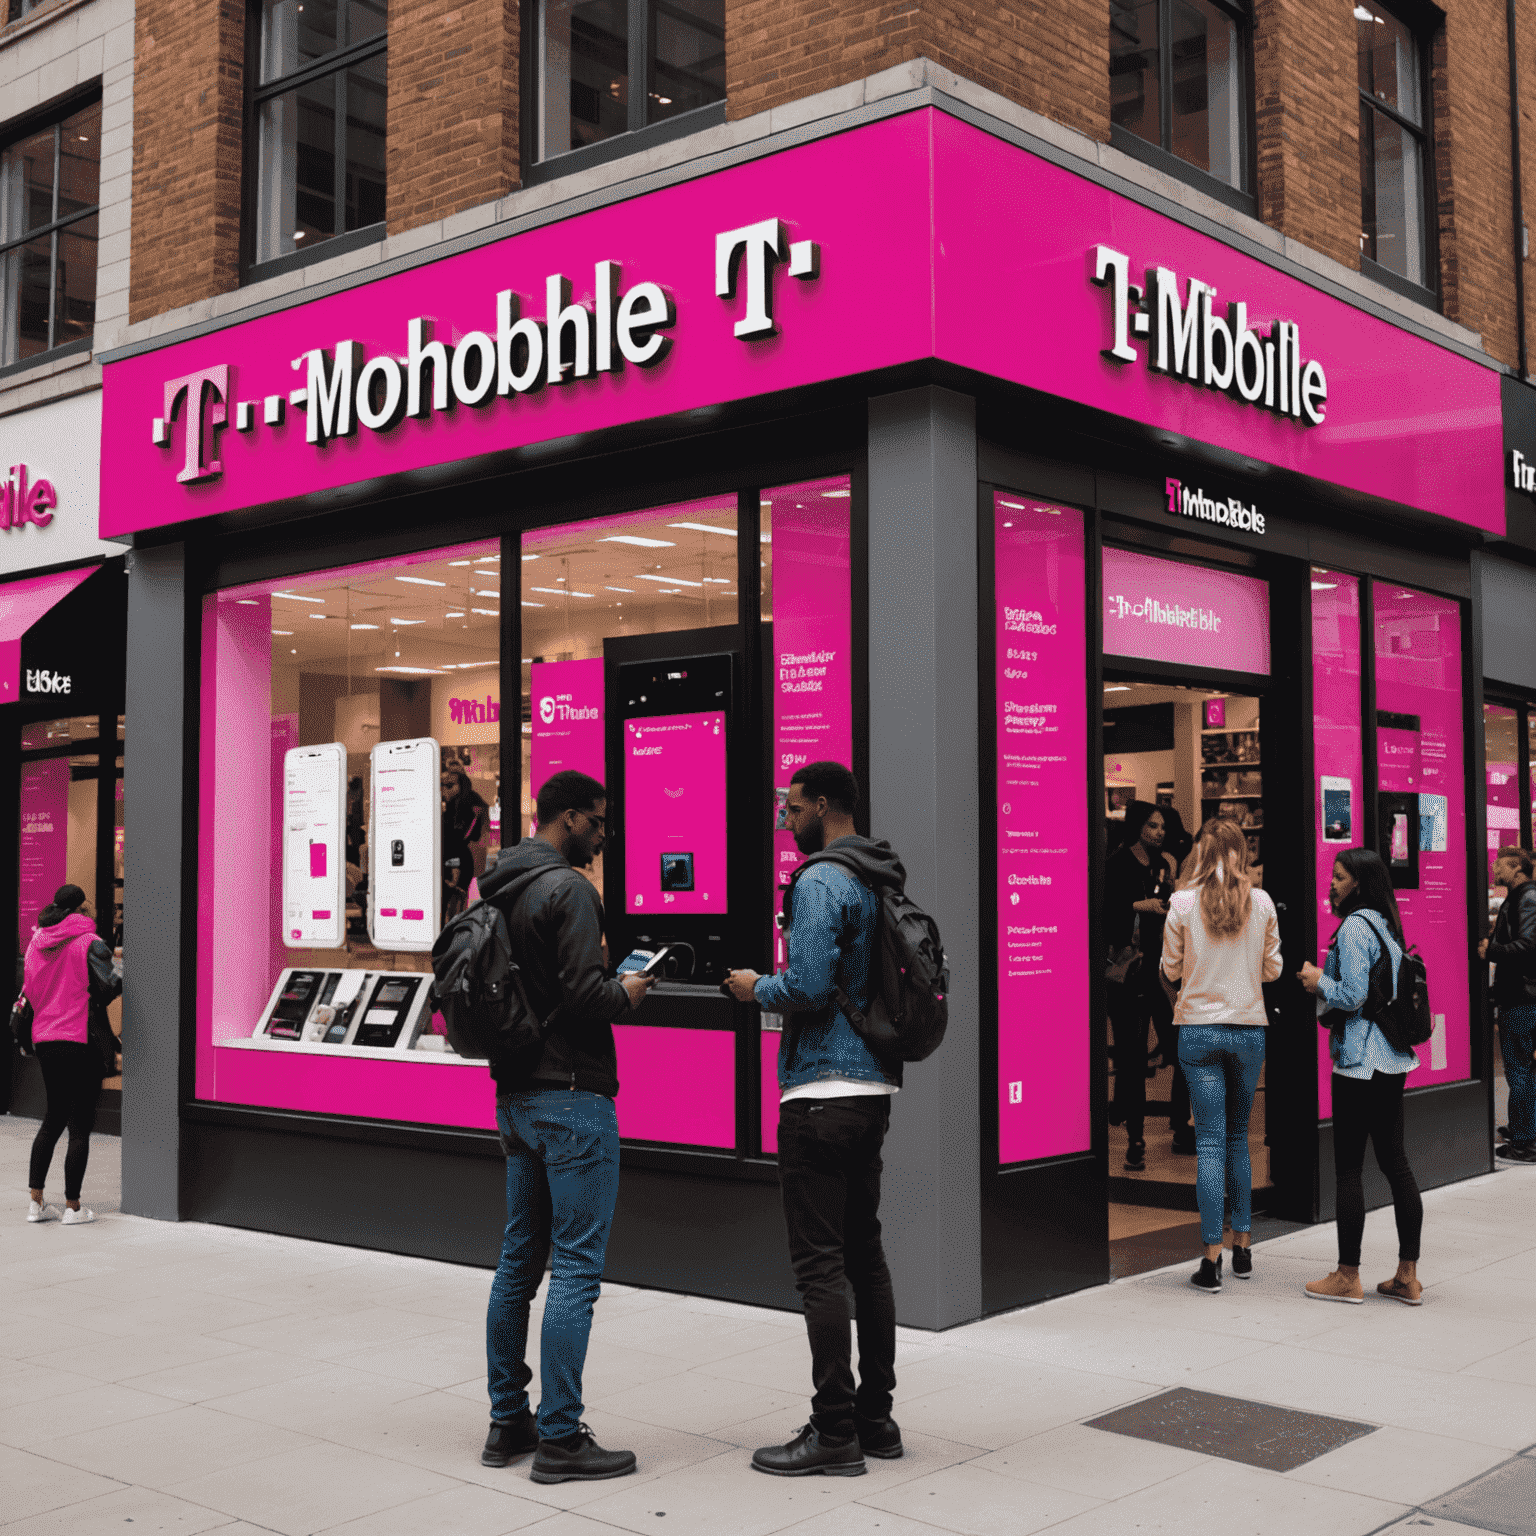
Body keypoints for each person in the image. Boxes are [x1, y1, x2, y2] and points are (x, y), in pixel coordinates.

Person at [724, 760, 903, 1478]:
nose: (786, 822)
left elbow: (806, 985)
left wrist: (752, 987)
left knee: (820, 1266)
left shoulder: (822, 879)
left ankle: (833, 1432)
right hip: (871, 1092)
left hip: (818, 1092)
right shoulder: (878, 874)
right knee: (866, 1255)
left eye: (791, 809)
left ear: (822, 805)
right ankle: (875, 1418)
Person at [477, 770, 654, 1482]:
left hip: (516, 1097)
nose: (604, 836)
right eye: (599, 822)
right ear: (570, 818)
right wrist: (631, 990)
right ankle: (560, 1436)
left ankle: (506, 1420)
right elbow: (586, 995)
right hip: (575, 1098)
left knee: (519, 1259)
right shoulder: (571, 891)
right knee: (576, 1266)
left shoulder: (500, 884)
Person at [1298, 848, 1425, 1304]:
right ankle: (1407, 1275)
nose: (1331, 884)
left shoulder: (1353, 928)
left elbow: (1350, 996)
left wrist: (1317, 980)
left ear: (1359, 883)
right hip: (1392, 1058)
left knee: (1349, 1166)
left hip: (1359, 1062)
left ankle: (1347, 1275)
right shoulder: (1387, 926)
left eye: (1339, 877)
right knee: (1396, 1162)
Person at [1160, 818, 1281, 1293]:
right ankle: (1244, 1247)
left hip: (1197, 1030)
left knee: (1208, 1143)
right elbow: (1273, 968)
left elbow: (1170, 967)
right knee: (1238, 1138)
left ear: (1199, 852)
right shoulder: (1264, 901)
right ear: (1242, 851)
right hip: (1248, 1029)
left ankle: (1210, 1260)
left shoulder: (1182, 903)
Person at [24, 884, 121, 1226]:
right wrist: (121, 965)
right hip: (79, 1038)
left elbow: (32, 990)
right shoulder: (89, 943)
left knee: (52, 1118)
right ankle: (73, 1207)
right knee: (80, 1125)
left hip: (45, 1038)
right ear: (81, 910)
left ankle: (36, 1204)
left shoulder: (37, 942)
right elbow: (108, 986)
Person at [1103, 802, 1177, 1170]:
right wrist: (1138, 905)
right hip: (1129, 970)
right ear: (1138, 827)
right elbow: (1104, 911)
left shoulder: (1163, 865)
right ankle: (1136, 1137)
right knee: (1132, 1058)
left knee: (1175, 1046)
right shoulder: (1118, 863)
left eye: (1162, 826)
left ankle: (1178, 1125)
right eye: (1152, 825)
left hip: (1160, 970)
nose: (1159, 832)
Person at [1481, 846, 1536, 1165]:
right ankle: (1523, 1130)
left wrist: (1492, 950)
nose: (1493, 865)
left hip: (1521, 998)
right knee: (1525, 1070)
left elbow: (1528, 945)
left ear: (1516, 868)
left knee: (1519, 1070)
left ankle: (1525, 1142)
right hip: (1523, 996)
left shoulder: (1526, 898)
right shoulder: (1521, 898)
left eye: (1499, 862)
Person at [442, 766, 489, 914]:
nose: (444, 790)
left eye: (449, 786)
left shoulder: (463, 803)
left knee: (454, 901)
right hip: (458, 858)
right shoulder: (456, 803)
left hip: (457, 859)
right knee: (457, 902)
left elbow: (458, 839)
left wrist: (453, 866)